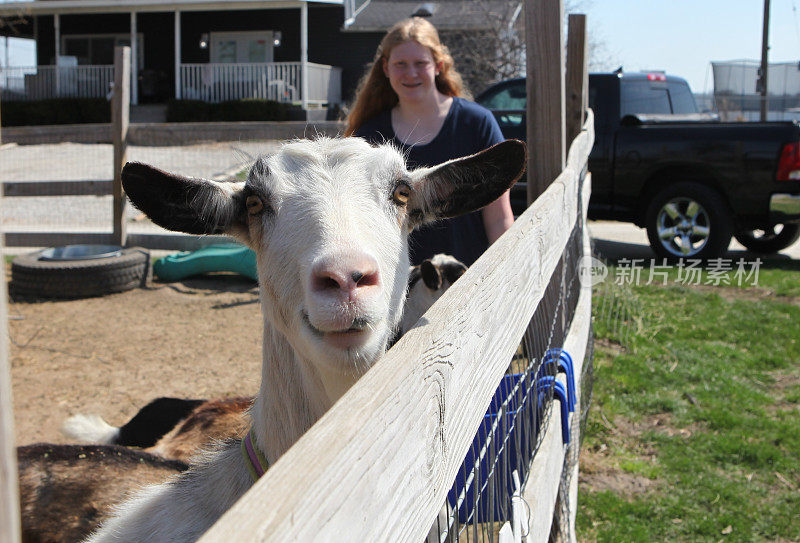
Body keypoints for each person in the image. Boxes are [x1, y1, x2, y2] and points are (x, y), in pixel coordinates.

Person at [345, 17, 514, 267]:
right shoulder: (369, 135)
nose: (410, 73)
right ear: (386, 68)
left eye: (420, 63)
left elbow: (498, 218)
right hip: (399, 293)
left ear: (438, 65)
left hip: (468, 282)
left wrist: (506, 272)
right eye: (400, 64)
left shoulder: (477, 123)